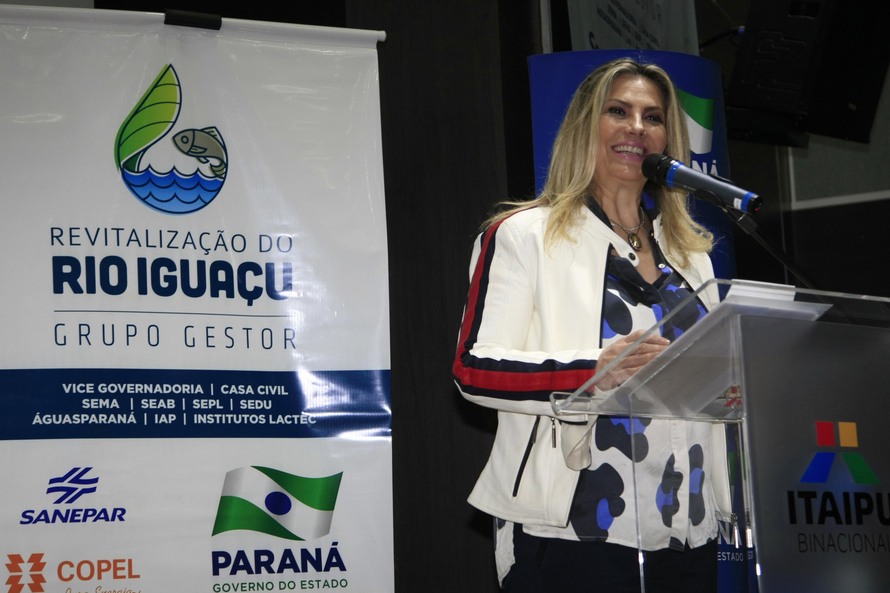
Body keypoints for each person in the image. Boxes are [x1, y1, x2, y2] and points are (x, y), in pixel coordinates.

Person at [452, 57, 731, 593]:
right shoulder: (524, 235)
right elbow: (473, 368)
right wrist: (591, 370)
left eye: (653, 117)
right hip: (573, 528)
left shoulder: (692, 256)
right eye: (618, 111)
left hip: (687, 527)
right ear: (586, 126)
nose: (637, 128)